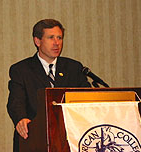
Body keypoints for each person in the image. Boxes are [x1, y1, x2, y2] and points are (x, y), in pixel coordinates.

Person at [7, 19, 91, 152]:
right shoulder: (21, 70)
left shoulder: (74, 68)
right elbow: (15, 102)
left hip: (70, 139)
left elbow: (87, 98)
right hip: (34, 138)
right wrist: (21, 119)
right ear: (37, 41)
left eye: (59, 38)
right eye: (51, 38)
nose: (57, 43)